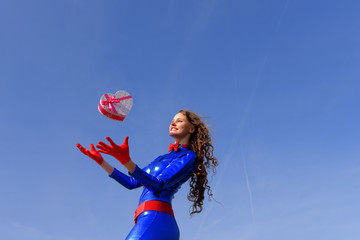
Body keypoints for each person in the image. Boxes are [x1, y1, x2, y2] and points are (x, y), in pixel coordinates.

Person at [76, 110, 218, 240]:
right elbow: (132, 182)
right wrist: (102, 162)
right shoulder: (161, 158)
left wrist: (126, 161)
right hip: (144, 219)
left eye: (179, 121)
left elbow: (158, 185)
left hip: (158, 219)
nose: (173, 123)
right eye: (172, 120)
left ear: (191, 129)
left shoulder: (188, 157)